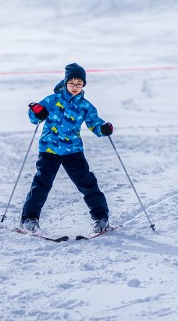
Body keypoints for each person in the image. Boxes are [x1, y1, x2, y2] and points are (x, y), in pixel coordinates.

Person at [20, 63, 113, 234]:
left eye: (79, 84)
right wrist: (36, 111)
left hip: (73, 151)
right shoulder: (53, 100)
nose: (75, 87)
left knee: (87, 183)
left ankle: (101, 218)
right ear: (65, 83)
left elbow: (94, 123)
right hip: (49, 150)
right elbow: (34, 116)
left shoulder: (85, 106)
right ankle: (29, 219)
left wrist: (103, 129)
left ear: (83, 85)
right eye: (72, 83)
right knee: (41, 184)